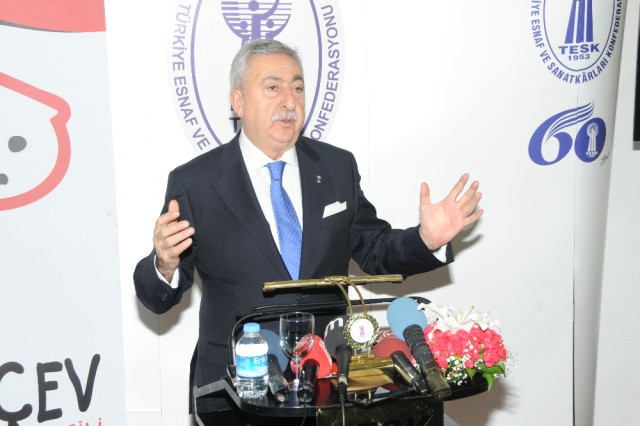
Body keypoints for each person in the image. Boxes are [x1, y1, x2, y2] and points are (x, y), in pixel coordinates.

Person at [133, 39, 483, 421]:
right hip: (237, 390)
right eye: (273, 87)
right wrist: (164, 265)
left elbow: (374, 249)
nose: (289, 101)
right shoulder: (195, 183)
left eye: (297, 88)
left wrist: (426, 240)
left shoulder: (336, 167)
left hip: (332, 384)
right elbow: (157, 298)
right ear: (238, 101)